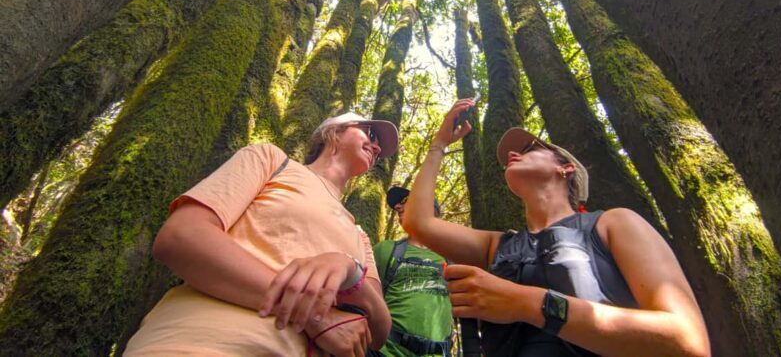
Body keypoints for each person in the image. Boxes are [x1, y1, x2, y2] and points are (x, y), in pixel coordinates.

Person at [401, 99, 711, 357]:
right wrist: (440, 144)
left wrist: (524, 302)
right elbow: (418, 222)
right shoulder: (498, 246)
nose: (513, 154)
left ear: (566, 167)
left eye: (530, 148)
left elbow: (688, 340)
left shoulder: (613, 223)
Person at [125, 112, 396, 356]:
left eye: (379, 146)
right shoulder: (273, 161)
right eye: (370, 133)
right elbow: (181, 236)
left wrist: (349, 268)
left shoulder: (359, 233)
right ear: (335, 131)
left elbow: (379, 329)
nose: (377, 147)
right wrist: (315, 316)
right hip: (200, 343)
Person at [372, 186, 452, 356]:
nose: (397, 208)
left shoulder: (454, 256)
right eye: (396, 207)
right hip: (387, 352)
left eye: (405, 201)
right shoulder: (385, 250)